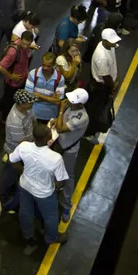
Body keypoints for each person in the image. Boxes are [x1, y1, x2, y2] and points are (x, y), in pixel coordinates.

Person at [8, 122, 68, 252]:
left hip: (25, 185)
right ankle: (51, 238)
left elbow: (12, 161)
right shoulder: (55, 158)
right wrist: (56, 188)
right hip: (44, 193)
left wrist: (23, 171)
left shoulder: (24, 147)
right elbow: (61, 181)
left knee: (25, 211)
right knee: (51, 216)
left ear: (34, 137)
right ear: (49, 139)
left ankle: (27, 235)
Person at [52, 88, 89, 221]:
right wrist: (56, 120)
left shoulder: (82, 117)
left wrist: (61, 109)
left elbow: (62, 129)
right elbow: (60, 122)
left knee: (68, 176)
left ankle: (66, 205)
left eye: (73, 101)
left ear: (81, 104)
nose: (68, 102)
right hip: (58, 144)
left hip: (69, 149)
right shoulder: (70, 107)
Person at [0, 89, 36, 210]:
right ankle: (3, 199)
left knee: (15, 174)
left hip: (27, 146)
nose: (32, 104)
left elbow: (33, 120)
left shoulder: (27, 109)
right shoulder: (14, 121)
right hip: (16, 152)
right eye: (30, 102)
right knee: (10, 174)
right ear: (22, 104)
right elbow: (22, 144)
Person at [88, 28, 121, 135]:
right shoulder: (102, 57)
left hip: (106, 83)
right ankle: (89, 132)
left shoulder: (108, 46)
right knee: (96, 111)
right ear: (105, 40)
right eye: (112, 41)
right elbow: (106, 77)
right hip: (101, 87)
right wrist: (113, 87)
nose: (115, 43)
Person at [0, 31, 34, 119]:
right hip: (12, 84)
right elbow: (0, 67)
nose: (25, 46)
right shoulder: (13, 52)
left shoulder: (27, 47)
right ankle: (4, 119)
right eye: (23, 43)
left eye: (28, 44)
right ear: (20, 40)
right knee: (9, 102)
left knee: (12, 100)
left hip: (21, 80)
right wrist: (11, 76)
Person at [25, 52, 68, 123]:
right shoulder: (33, 73)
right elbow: (28, 96)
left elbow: (58, 101)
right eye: (43, 65)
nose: (45, 68)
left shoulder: (60, 78)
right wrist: (50, 99)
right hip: (33, 112)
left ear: (54, 65)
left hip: (51, 115)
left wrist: (38, 95)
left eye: (48, 66)